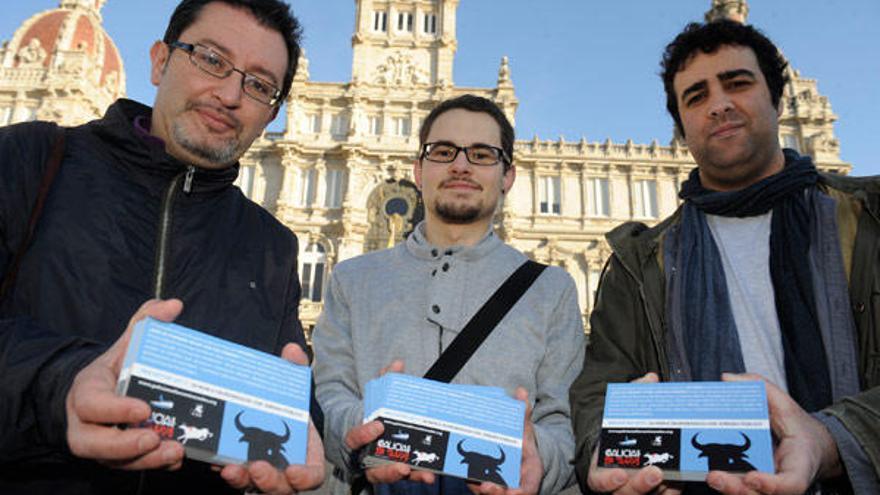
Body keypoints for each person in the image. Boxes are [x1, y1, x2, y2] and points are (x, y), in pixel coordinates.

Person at [0, 1, 324, 493]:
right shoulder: (29, 160)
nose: (230, 93)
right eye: (211, 59)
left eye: (258, 85)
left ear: (272, 114)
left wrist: (303, 424)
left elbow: (280, 385)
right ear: (159, 60)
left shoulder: (272, 245)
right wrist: (60, 383)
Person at [569, 19, 880, 495]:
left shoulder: (870, 222)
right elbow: (598, 389)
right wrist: (604, 450)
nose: (719, 105)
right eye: (696, 97)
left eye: (737, 83)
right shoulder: (637, 266)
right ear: (680, 129)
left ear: (777, 100)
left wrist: (831, 440)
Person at [312, 94, 585, 495]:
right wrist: (364, 429)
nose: (461, 165)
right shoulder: (351, 280)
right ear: (419, 170)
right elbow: (327, 397)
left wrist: (536, 457)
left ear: (507, 175)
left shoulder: (552, 289)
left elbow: (563, 424)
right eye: (443, 152)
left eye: (481, 154)